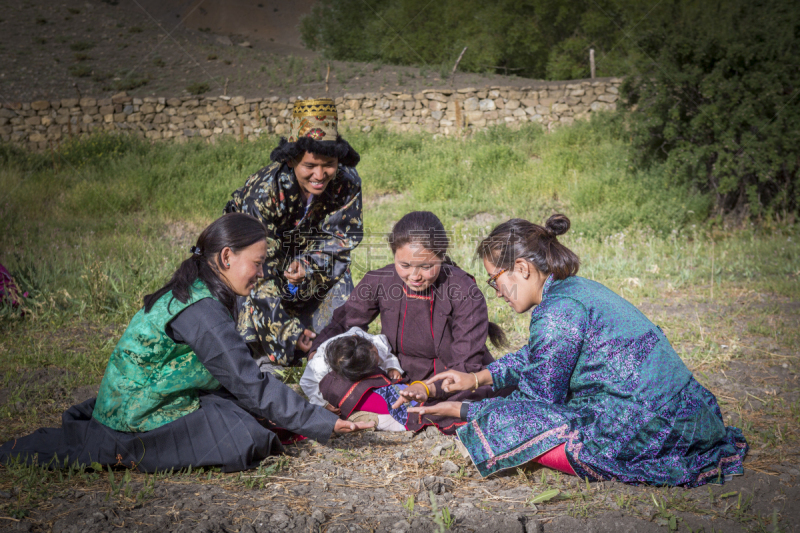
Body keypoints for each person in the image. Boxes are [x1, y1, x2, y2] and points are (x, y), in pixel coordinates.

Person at [0, 213, 371, 473]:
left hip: (155, 395)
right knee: (248, 440)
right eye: (257, 264)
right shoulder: (202, 309)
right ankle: (124, 446)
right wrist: (320, 421)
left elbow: (237, 372)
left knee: (251, 415)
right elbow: (246, 380)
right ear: (226, 257)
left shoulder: (201, 289)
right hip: (139, 414)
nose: (261, 274)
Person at [410, 215, 748, 486]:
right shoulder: (573, 289)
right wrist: (475, 379)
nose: (496, 291)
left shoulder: (557, 311)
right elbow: (538, 355)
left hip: (659, 426)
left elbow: (537, 403)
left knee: (513, 424)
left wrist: (463, 411)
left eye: (494, 279)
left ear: (523, 269)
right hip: (691, 411)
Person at [310, 211, 509, 434]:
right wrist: (317, 349)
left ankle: (393, 417)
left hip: (448, 377)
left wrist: (427, 388)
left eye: (426, 267)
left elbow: (467, 363)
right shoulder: (379, 281)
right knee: (331, 379)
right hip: (393, 374)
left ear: (441, 256)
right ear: (393, 254)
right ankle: (400, 412)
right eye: (404, 265)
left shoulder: (464, 291)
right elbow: (344, 321)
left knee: (473, 399)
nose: (414, 276)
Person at [223, 98, 363, 372]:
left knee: (340, 276)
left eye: (329, 164)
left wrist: (308, 265)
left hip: (305, 256)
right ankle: (267, 361)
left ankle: (337, 354)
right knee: (249, 288)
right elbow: (256, 263)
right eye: (310, 166)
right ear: (291, 161)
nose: (320, 175)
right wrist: (289, 332)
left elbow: (342, 238)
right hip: (255, 260)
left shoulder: (347, 181)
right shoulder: (265, 192)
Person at [300, 329, 407, 431]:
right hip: (338, 381)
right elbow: (306, 382)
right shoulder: (319, 366)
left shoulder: (373, 343)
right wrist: (322, 403)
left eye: (376, 353)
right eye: (375, 357)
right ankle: (358, 416)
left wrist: (392, 366)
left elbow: (387, 353)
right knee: (346, 396)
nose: (378, 355)